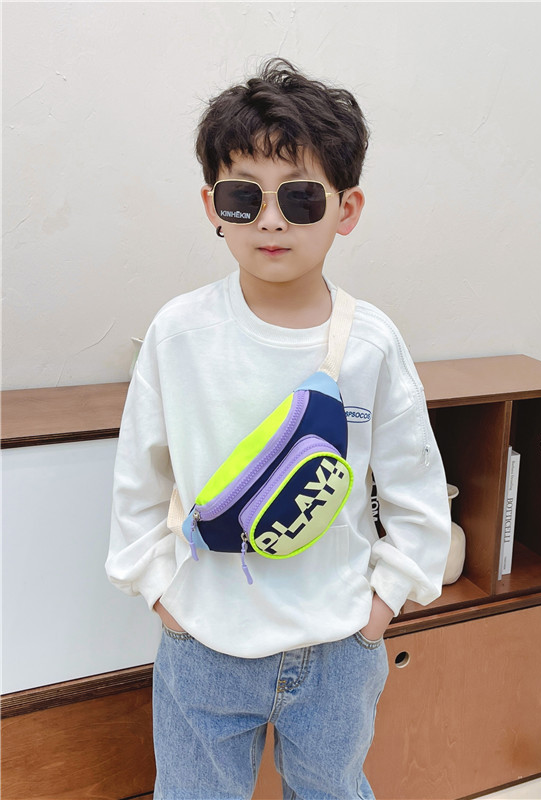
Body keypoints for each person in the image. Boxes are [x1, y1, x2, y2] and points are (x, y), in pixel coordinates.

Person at [106, 58, 450, 800]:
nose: (271, 220)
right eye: (244, 196)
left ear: (346, 209)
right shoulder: (179, 333)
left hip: (337, 648)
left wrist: (377, 611)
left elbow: (418, 490)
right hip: (203, 643)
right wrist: (163, 595)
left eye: (300, 197)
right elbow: (140, 481)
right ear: (213, 205)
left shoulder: (372, 343)